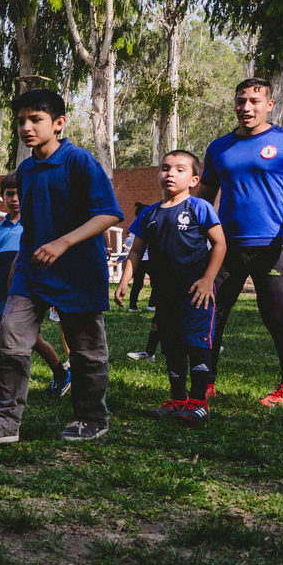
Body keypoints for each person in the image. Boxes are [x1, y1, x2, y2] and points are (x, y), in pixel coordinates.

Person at [0, 89, 123, 445]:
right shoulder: (24, 170)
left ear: (58, 123)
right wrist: (18, 266)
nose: (26, 127)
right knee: (10, 339)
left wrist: (64, 242)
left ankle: (91, 418)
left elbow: (109, 213)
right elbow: (33, 226)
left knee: (86, 352)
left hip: (79, 272)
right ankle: (4, 421)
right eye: (21, 120)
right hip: (32, 274)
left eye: (35, 119)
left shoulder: (79, 161)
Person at [197, 77, 283, 406]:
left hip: (274, 246)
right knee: (212, 314)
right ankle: (204, 383)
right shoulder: (219, 147)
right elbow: (204, 195)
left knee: (276, 315)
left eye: (254, 101)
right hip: (227, 247)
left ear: (269, 105)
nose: (246, 107)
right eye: (240, 101)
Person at [115, 150, 225, 423]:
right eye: (165, 168)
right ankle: (178, 400)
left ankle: (199, 404)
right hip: (165, 295)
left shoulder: (199, 208)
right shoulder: (149, 214)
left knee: (197, 344)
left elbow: (220, 244)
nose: (170, 174)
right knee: (172, 345)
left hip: (196, 293)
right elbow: (136, 252)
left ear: (194, 179)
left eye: (179, 169)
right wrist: (125, 280)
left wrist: (208, 279)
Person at [0, 171, 71, 398]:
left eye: (19, 194)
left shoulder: (36, 225)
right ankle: (2, 387)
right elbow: (0, 262)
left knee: (32, 339)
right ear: (3, 197)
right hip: (4, 290)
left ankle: (59, 373)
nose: (14, 199)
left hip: (30, 288)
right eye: (9, 194)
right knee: (2, 337)